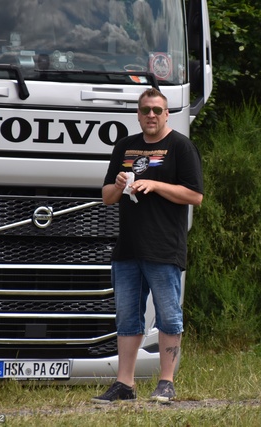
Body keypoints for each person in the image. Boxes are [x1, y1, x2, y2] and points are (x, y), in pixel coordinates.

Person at [92, 88, 204, 403]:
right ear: (138, 115)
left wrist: (155, 184)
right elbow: (106, 198)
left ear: (167, 114)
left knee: (169, 315)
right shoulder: (125, 146)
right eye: (145, 110)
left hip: (164, 247)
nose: (151, 115)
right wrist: (116, 185)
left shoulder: (181, 146)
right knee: (127, 316)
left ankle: (166, 382)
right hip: (127, 248)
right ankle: (124, 384)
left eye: (157, 110)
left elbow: (195, 196)